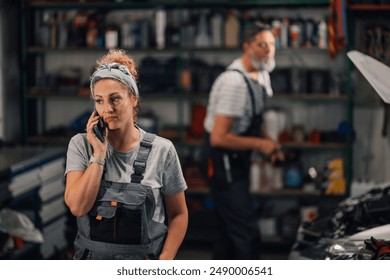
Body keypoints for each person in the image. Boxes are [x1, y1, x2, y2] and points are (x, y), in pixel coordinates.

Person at [64, 49, 188, 260]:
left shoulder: (162, 150)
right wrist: (99, 154)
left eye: (115, 99)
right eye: (99, 101)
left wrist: (165, 261)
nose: (107, 109)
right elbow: (77, 206)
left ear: (133, 98)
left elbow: (178, 214)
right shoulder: (81, 145)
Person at [200, 22, 284, 259]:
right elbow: (219, 138)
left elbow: (255, 120)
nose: (268, 50)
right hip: (221, 160)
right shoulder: (234, 83)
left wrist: (270, 145)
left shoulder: (261, 74)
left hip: (238, 159)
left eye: (272, 44)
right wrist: (260, 145)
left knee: (230, 230)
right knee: (246, 231)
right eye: (261, 45)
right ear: (247, 47)